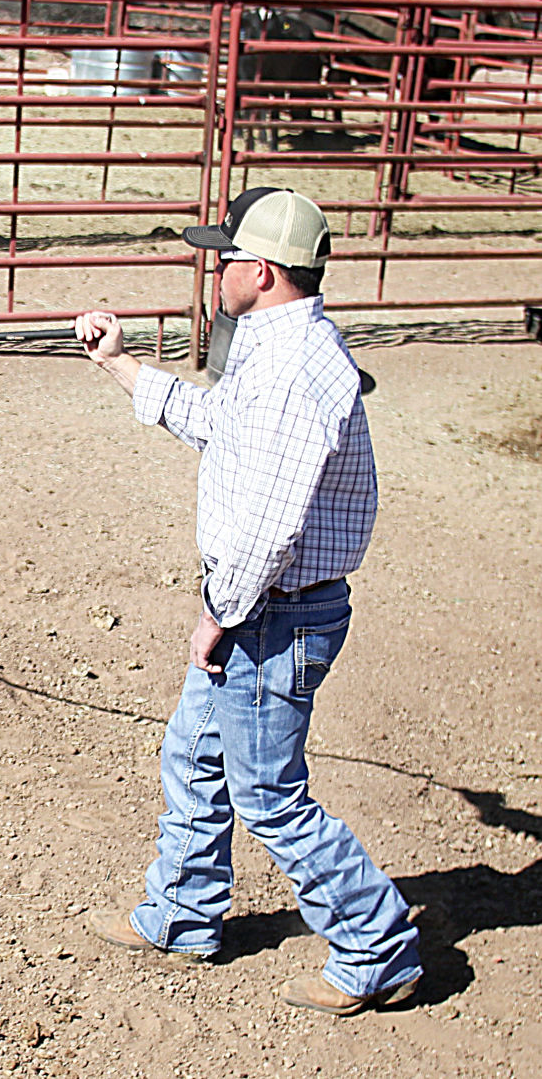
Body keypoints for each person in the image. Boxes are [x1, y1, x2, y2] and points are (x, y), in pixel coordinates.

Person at [73, 187, 422, 1015]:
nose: (213, 265)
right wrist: (117, 364)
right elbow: (218, 425)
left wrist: (219, 611)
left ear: (258, 271)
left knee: (267, 792)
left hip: (272, 610)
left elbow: (267, 522)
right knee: (194, 755)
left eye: (223, 255)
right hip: (265, 604)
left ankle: (376, 948)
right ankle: (182, 914)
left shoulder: (297, 368)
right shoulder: (272, 347)